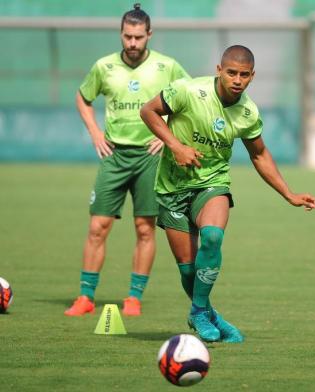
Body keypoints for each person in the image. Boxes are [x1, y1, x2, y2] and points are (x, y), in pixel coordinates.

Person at [140, 45, 315, 342]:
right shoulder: (187, 90)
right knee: (188, 271)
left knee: (212, 237)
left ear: (252, 77)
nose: (237, 80)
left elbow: (259, 155)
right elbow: (148, 111)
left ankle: (197, 312)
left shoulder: (247, 112)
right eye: (231, 72)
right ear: (219, 70)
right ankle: (210, 314)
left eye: (244, 75)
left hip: (212, 183)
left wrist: (289, 194)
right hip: (171, 187)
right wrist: (176, 146)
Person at [64, 3, 190, 317]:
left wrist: (167, 137)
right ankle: (85, 297)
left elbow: (188, 99)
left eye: (138, 37)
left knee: (145, 228)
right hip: (114, 155)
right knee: (97, 226)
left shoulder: (168, 67)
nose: (132, 43)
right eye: (127, 37)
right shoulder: (103, 67)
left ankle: (133, 298)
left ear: (149, 35)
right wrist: (94, 131)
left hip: (150, 159)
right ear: (121, 34)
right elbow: (83, 97)